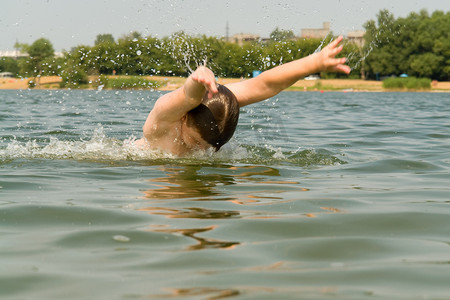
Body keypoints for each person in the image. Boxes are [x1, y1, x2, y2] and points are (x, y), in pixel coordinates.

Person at [138, 36, 351, 156]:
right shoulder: (164, 120)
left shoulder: (221, 103)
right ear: (184, 117)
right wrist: (199, 76)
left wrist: (313, 63)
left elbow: (265, 85)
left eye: (209, 147)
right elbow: (189, 96)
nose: (202, 150)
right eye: (196, 141)